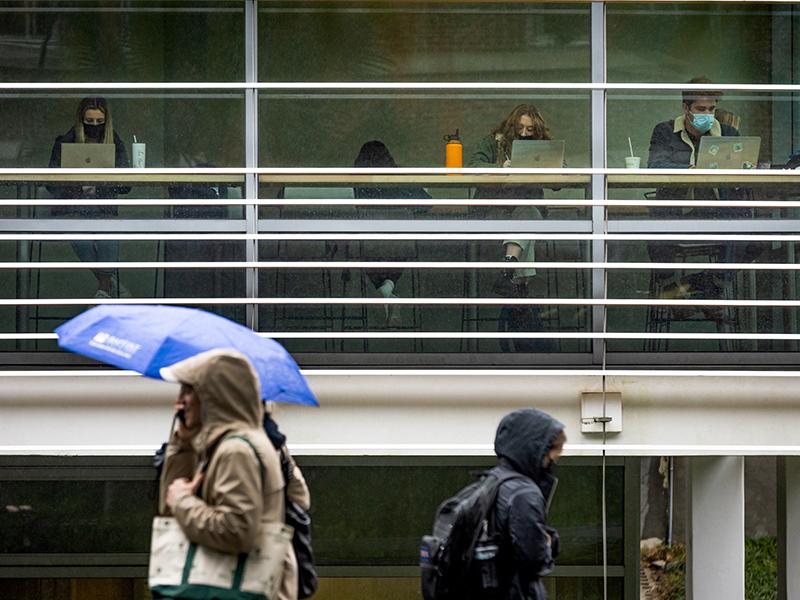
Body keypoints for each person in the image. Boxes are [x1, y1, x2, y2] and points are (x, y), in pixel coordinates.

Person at [157, 349, 295, 598]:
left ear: (213, 396)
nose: (179, 402)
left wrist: (182, 501)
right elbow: (168, 512)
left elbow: (236, 530)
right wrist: (183, 443)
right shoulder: (223, 445)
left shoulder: (236, 451)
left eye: (188, 391)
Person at [646, 77, 750, 316]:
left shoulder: (728, 133)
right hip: (677, 209)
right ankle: (672, 288)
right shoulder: (665, 131)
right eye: (701, 109)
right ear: (686, 108)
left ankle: (706, 285)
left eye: (711, 109)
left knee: (755, 231)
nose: (707, 114)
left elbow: (742, 167)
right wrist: (689, 170)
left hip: (716, 209)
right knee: (653, 227)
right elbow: (656, 165)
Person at [469, 106, 555, 351]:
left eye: (530, 130)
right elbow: (473, 167)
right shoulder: (492, 142)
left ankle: (508, 274)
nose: (525, 134)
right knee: (525, 220)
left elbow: (563, 172)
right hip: (493, 212)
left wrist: (542, 169)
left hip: (525, 213)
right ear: (510, 127)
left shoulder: (541, 146)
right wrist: (500, 170)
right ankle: (519, 293)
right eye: (520, 129)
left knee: (526, 213)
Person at [48, 97, 131, 298]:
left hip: (102, 208)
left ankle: (105, 288)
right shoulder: (65, 142)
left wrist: (103, 183)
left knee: (108, 236)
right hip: (73, 208)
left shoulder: (115, 143)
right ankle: (107, 286)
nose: (94, 126)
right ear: (80, 120)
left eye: (100, 122)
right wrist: (75, 186)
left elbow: (126, 185)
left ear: (106, 121)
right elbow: (50, 182)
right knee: (81, 238)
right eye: (89, 121)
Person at [491, 407, 566, 600]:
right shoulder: (523, 493)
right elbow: (534, 559)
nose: (555, 458)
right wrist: (548, 542)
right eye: (552, 451)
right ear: (534, 449)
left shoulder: (493, 482)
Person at [354, 140, 430, 327]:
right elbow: (426, 203)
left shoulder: (356, 182)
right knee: (398, 247)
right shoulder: (399, 178)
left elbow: (348, 208)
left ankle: (385, 292)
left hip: (368, 243)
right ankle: (388, 290)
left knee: (365, 251)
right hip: (401, 243)